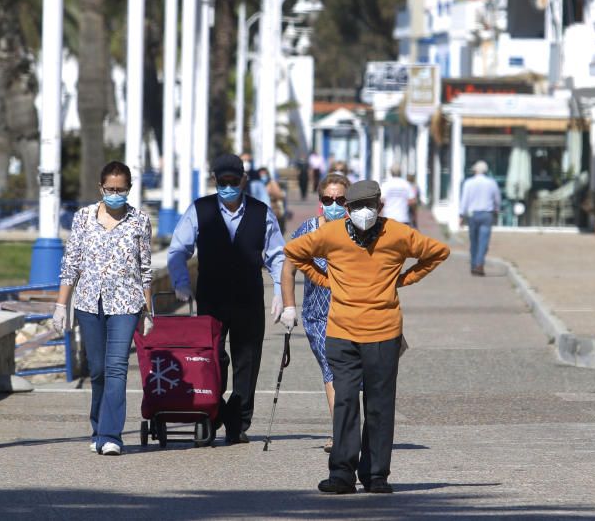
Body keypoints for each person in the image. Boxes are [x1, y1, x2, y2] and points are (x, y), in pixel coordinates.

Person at [284, 180, 450, 494]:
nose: (363, 212)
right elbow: (294, 252)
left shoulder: (398, 234)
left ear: (380, 207)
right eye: (357, 207)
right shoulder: (331, 234)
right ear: (347, 210)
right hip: (341, 332)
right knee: (345, 401)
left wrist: (403, 279)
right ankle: (342, 474)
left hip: (383, 332)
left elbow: (438, 252)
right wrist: (324, 279)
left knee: (379, 404)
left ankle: (376, 475)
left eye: (369, 206)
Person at [167, 153, 289, 445]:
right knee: (211, 359)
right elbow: (177, 249)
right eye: (223, 182)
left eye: (234, 181)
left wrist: (280, 293)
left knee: (248, 360)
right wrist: (181, 282)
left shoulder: (262, 212)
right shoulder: (200, 209)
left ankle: (239, 422)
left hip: (247, 296)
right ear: (216, 181)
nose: (229, 187)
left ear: (243, 180)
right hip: (212, 296)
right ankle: (212, 411)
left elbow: (278, 256)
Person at [52, 161, 155, 456]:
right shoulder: (83, 218)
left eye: (120, 190)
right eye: (110, 189)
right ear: (100, 188)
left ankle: (111, 435)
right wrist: (62, 304)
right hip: (88, 302)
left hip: (126, 303)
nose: (115, 194)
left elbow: (145, 268)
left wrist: (147, 311)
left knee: (116, 367)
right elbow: (71, 262)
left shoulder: (139, 221)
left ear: (129, 189)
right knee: (97, 369)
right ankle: (98, 426)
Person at [280, 172, 352, 453]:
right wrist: (288, 305)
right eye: (328, 199)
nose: (334, 204)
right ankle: (341, 435)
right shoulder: (308, 229)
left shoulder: (356, 229)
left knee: (352, 376)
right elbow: (289, 266)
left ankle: (350, 429)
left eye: (340, 199)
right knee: (332, 369)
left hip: (352, 312)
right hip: (319, 316)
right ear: (320, 201)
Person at [458, 160, 501, 276]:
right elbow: (497, 198)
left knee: (474, 241)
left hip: (473, 214)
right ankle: (479, 264)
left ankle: (474, 264)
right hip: (487, 214)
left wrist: (461, 215)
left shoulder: (469, 183)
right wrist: (496, 210)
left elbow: (464, 200)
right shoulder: (491, 183)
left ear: (475, 170)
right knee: (483, 241)